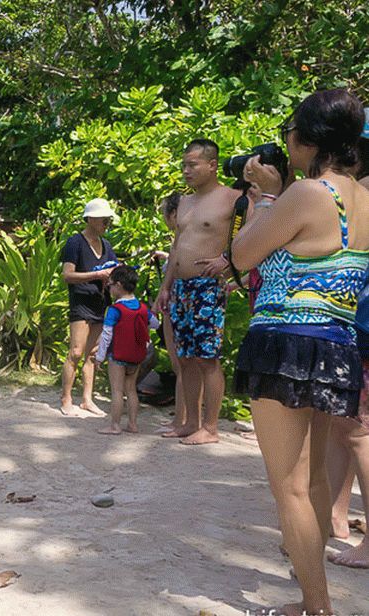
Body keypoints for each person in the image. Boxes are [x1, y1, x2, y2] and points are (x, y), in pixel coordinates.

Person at [232, 89, 369, 615]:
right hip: (335, 347)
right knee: (310, 480)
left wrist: (264, 196)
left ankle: (316, 607)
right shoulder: (361, 198)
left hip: (286, 343)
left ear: (308, 138)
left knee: (287, 487)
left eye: (289, 131)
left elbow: (242, 255)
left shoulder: (308, 192)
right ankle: (312, 592)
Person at [153, 139, 239, 445]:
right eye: (184, 164)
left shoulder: (233, 199)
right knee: (185, 358)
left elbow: (250, 235)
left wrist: (227, 261)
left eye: (193, 164)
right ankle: (189, 422)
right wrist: (165, 287)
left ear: (212, 165)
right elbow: (177, 247)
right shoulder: (186, 203)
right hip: (180, 288)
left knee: (207, 358)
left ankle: (211, 427)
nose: (186, 170)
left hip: (208, 287)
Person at [326, 107, 369, 570]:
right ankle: (334, 518)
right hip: (357, 322)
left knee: (357, 431)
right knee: (343, 426)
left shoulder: (360, 195)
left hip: (362, 322)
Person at [59, 198, 118, 416]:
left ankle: (87, 399)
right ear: (91, 218)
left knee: (92, 355)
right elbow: (67, 275)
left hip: (100, 303)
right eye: (104, 218)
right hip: (81, 303)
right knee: (75, 352)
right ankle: (66, 397)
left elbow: (112, 268)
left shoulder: (107, 245)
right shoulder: (75, 243)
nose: (107, 222)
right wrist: (96, 275)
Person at [95, 265, 159, 435]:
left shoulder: (115, 310)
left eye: (110, 285)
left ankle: (115, 425)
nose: (109, 288)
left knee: (117, 390)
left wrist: (99, 357)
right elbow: (155, 324)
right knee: (131, 390)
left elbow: (107, 335)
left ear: (119, 285)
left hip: (118, 355)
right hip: (137, 356)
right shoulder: (142, 308)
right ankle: (133, 424)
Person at [149, 193, 190, 434]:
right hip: (179, 302)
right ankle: (184, 417)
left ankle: (182, 419)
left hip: (176, 303)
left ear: (173, 214)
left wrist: (160, 296)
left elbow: (176, 267)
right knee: (187, 365)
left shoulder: (183, 235)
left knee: (181, 365)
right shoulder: (187, 237)